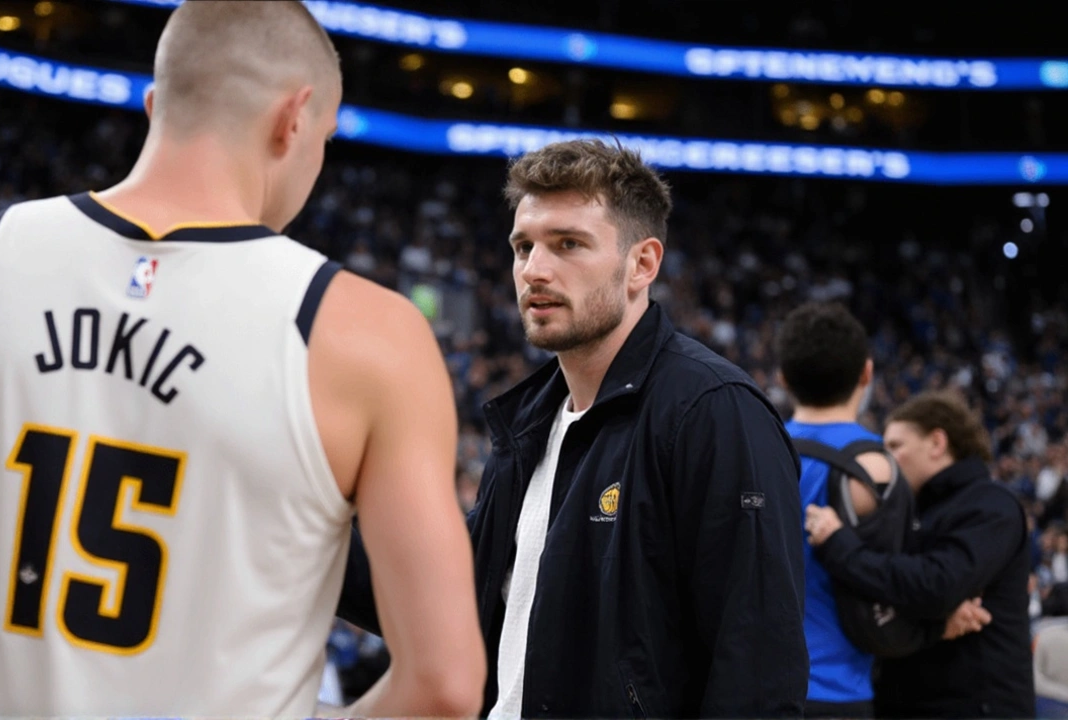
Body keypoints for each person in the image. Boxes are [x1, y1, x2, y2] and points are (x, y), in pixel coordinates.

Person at [0, 2, 486, 717]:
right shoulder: (367, 335)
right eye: (328, 139)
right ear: (295, 119)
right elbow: (444, 685)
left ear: (157, 105)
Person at [340, 139, 808, 718]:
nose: (534, 270)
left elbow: (757, 673)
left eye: (568, 245)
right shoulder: (531, 419)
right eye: (522, 246)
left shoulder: (714, 410)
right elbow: (448, 594)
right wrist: (308, 530)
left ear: (643, 264)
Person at [777, 302, 989, 719]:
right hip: (840, 691)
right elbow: (894, 586)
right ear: (867, 374)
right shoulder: (877, 468)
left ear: (783, 380)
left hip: (757, 687)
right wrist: (938, 626)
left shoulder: (752, 451)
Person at [806, 390, 1035, 718]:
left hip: (973, 707)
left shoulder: (990, 505)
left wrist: (838, 544)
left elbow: (936, 586)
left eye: (895, 447)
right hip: (911, 701)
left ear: (937, 443)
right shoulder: (911, 511)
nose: (885, 460)